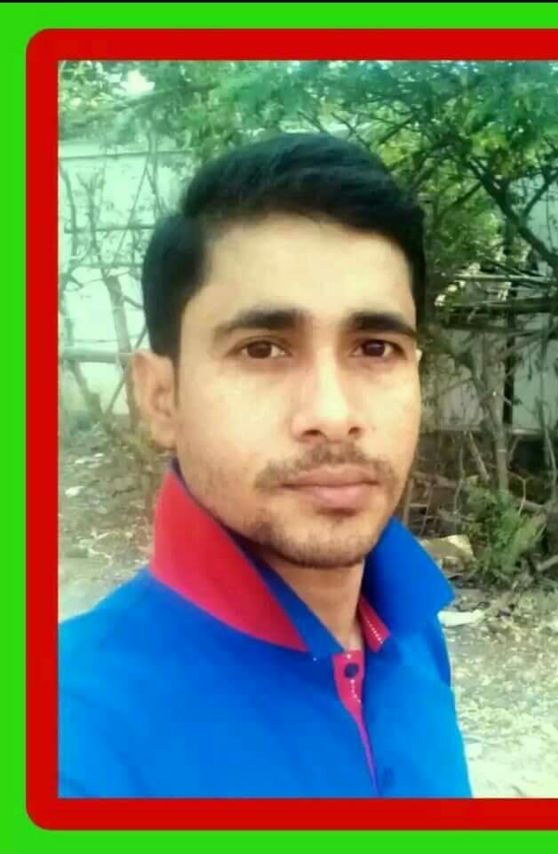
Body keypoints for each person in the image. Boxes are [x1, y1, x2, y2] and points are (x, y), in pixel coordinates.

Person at [58, 132, 471, 798]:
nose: (333, 413)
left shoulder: (409, 630)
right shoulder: (66, 737)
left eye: (375, 347)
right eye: (262, 350)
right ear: (162, 398)